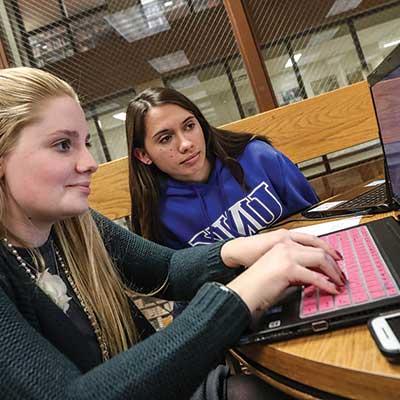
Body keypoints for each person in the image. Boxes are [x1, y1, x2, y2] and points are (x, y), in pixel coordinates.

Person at [0, 67, 345, 400]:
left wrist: (240, 249)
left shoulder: (75, 224)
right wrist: (240, 294)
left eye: (86, 143)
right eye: (63, 145)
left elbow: (165, 270)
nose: (89, 162)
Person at [125, 87, 319, 315]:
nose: (186, 144)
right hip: (239, 314)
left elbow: (315, 223)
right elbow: (186, 292)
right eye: (166, 138)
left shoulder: (259, 157)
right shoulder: (159, 215)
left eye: (189, 126)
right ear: (143, 155)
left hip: (307, 283)